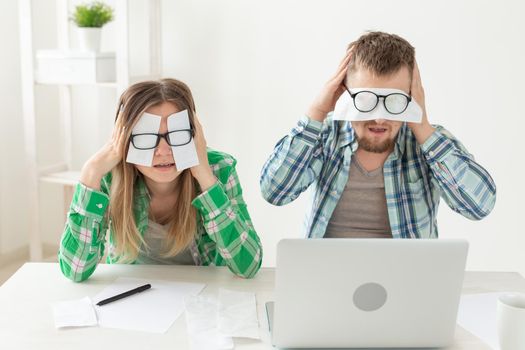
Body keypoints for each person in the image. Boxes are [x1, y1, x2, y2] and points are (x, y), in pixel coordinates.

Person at [260, 31, 496, 239]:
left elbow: (479, 207)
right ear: (345, 94)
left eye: (394, 101)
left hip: (407, 280)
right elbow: (275, 192)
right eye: (366, 100)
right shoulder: (324, 135)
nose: (380, 118)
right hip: (328, 278)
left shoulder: (428, 142)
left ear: (413, 95)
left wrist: (423, 127)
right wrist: (317, 112)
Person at [59, 78, 262, 282]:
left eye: (176, 134)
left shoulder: (219, 169)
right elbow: (75, 271)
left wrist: (205, 177)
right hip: (131, 295)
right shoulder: (109, 176)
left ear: (194, 134)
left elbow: (248, 266)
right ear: (124, 139)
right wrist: (90, 172)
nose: (163, 152)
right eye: (146, 137)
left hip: (202, 301)